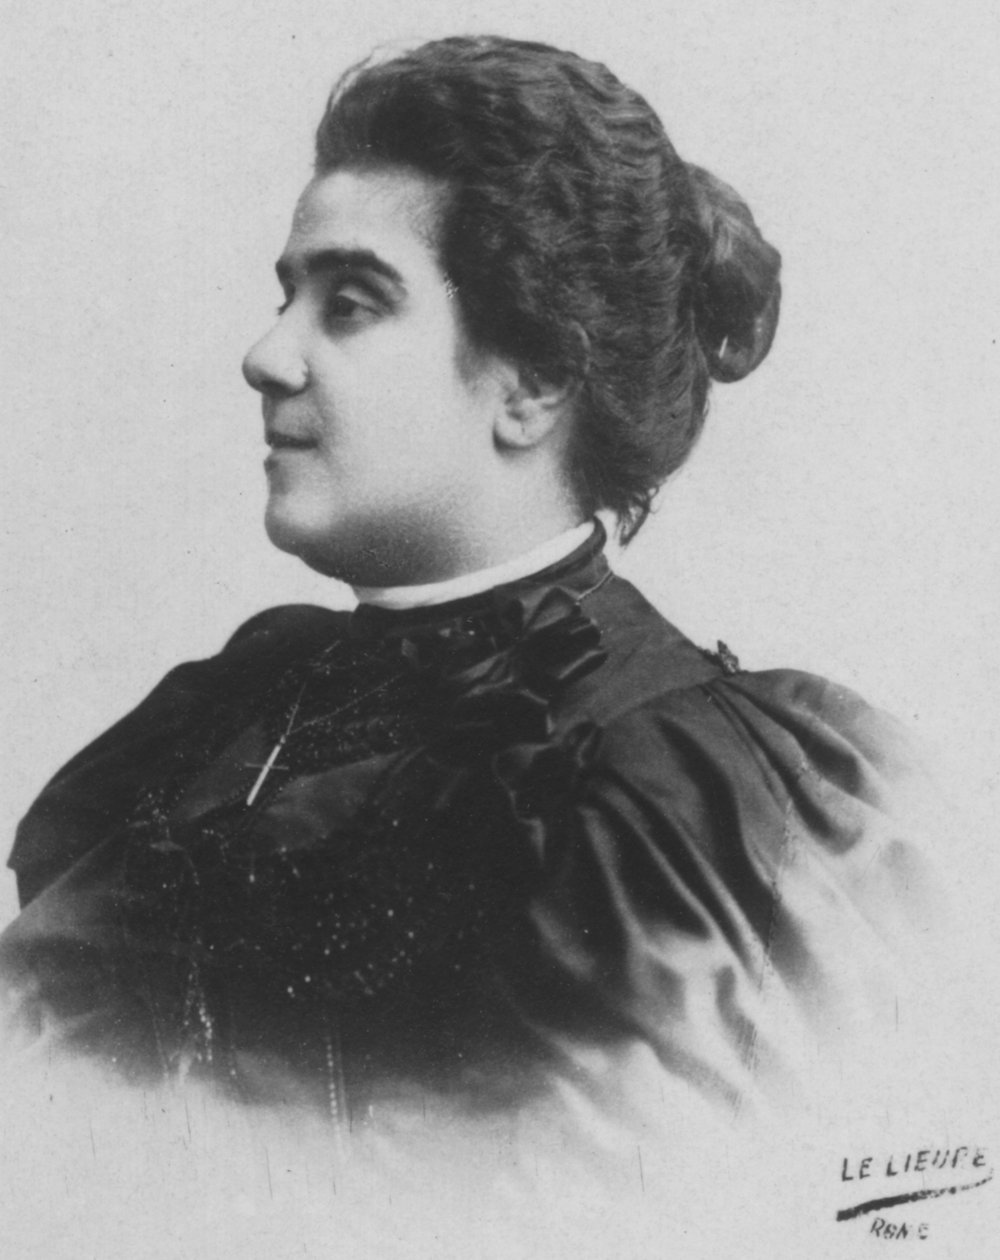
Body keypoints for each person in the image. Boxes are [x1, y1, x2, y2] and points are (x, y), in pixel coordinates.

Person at [0, 36, 932, 1134]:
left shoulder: (668, 798)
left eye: (350, 304)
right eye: (288, 297)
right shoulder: (234, 705)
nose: (267, 355)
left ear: (532, 384)